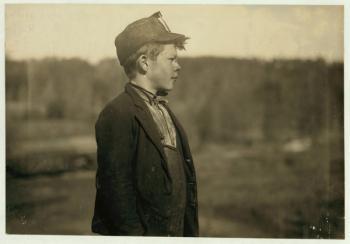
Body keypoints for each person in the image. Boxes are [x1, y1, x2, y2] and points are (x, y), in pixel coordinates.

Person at [91, 11, 199, 237]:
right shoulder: (117, 114)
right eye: (171, 59)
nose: (178, 66)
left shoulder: (165, 110)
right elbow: (117, 196)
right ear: (144, 64)